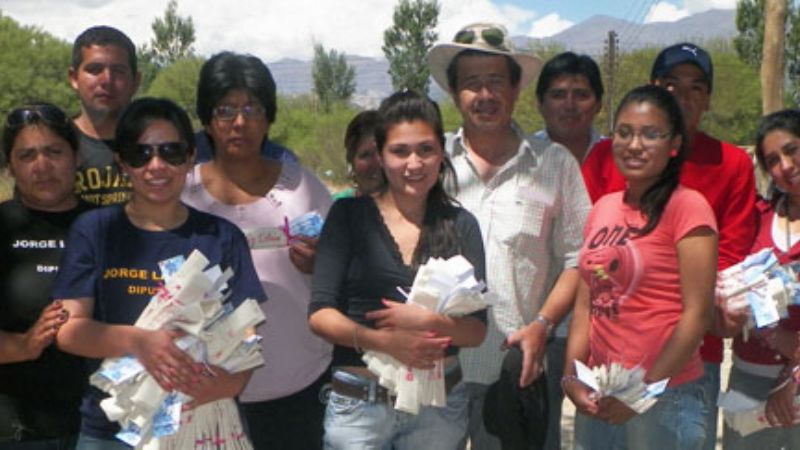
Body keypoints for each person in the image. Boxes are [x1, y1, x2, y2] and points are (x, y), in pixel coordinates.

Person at [51, 98, 266, 450]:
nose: (156, 166)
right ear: (121, 162)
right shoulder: (94, 230)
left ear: (190, 157)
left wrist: (230, 384)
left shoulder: (222, 237)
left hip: (202, 423)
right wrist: (138, 342)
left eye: (171, 152)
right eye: (140, 154)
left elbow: (248, 333)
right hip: (111, 431)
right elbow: (67, 331)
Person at [581, 43, 757, 449]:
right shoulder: (608, 156)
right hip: (608, 359)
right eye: (671, 84)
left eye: (696, 87)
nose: (683, 95)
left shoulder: (731, 163)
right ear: (654, 87)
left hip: (688, 357)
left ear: (708, 99)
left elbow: (731, 253)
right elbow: (588, 255)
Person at [427, 22, 591, 449]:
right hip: (434, 367)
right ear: (454, 93)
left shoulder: (554, 164)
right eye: (471, 83)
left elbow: (578, 258)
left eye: (496, 82)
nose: (485, 95)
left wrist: (543, 325)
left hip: (514, 365)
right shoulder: (430, 163)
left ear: (516, 88)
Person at [308, 89, 487, 449]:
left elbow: (476, 331)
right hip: (360, 410)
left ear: (441, 153)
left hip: (438, 410)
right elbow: (320, 315)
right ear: (381, 154)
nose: (414, 163)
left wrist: (428, 322)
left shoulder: (462, 224)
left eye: (425, 149)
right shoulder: (348, 217)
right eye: (400, 151)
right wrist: (383, 341)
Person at [182, 51, 333, 450]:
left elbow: (342, 274)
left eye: (252, 108)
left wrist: (321, 265)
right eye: (225, 110)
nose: (240, 122)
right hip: (208, 388)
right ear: (207, 120)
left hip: (300, 381)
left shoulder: (304, 188)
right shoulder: (181, 195)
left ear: (269, 118)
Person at [564, 84, 717, 450]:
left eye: (651, 134)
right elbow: (586, 305)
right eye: (624, 132)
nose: (634, 145)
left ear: (674, 144)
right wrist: (572, 375)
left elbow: (698, 315)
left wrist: (643, 393)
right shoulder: (603, 208)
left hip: (665, 395)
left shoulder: (688, 207)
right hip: (603, 390)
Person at [0, 103, 91, 449]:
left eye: (54, 151)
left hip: (105, 429)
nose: (42, 166)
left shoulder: (110, 227)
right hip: (18, 432)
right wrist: (23, 345)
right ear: (10, 167)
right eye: (27, 155)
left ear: (77, 156)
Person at [721, 109, 800, 449]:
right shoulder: (755, 217)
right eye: (773, 160)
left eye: (792, 150)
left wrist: (794, 375)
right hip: (748, 381)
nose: (786, 165)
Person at [69, 25, 140, 207]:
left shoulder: (157, 145)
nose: (107, 80)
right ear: (74, 78)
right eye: (94, 69)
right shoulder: (56, 143)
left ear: (136, 81)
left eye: (119, 71)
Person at [532, 51, 604, 163]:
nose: (569, 106)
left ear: (599, 104)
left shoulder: (617, 156)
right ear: (539, 104)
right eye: (558, 96)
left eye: (581, 95)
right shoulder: (521, 157)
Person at [333, 110, 382, 199]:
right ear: (351, 159)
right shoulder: (332, 205)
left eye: (381, 153)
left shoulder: (409, 205)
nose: (376, 162)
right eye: (366, 155)